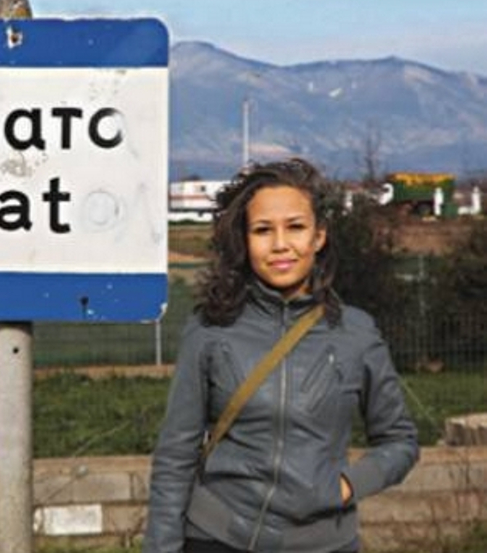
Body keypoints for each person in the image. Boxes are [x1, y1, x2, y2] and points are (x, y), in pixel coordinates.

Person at [143, 158, 419, 553]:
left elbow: (400, 440)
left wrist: (346, 486)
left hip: (326, 545)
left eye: (295, 227)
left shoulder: (357, 334)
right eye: (262, 230)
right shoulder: (209, 328)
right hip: (217, 538)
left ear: (318, 236)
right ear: (244, 240)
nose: (279, 245)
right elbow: (176, 454)